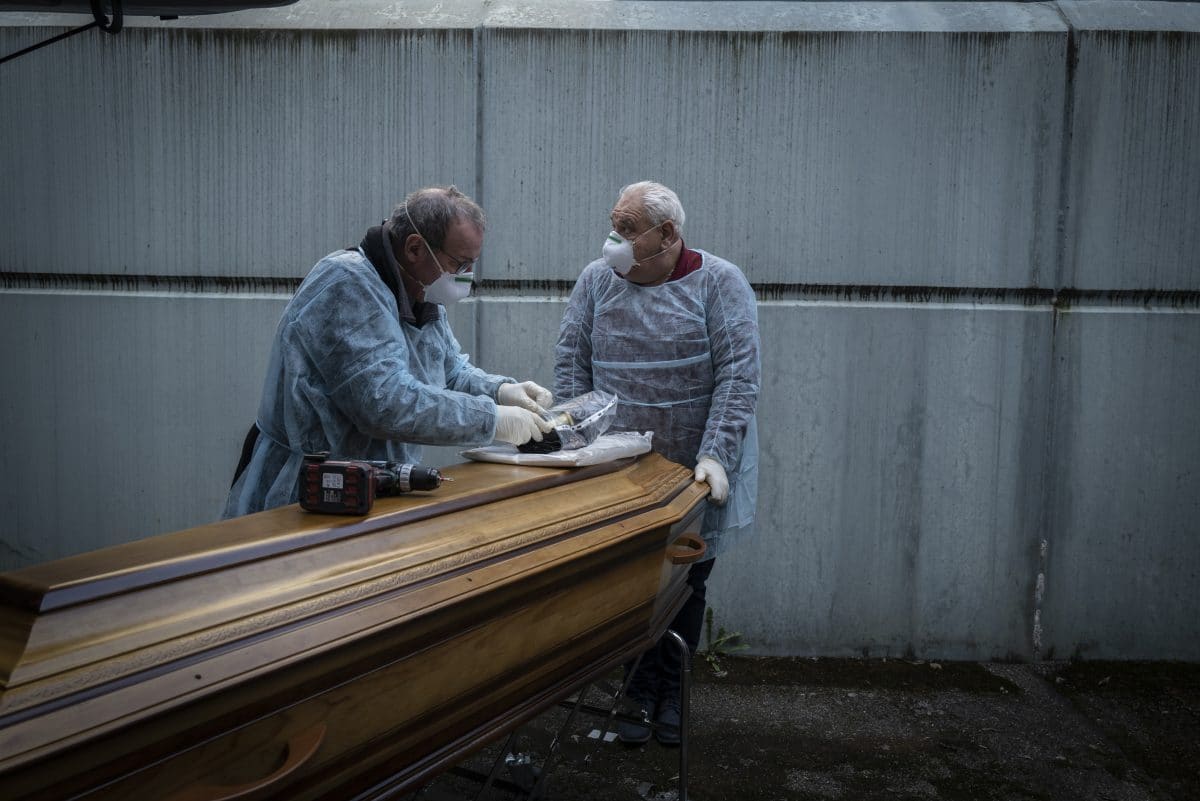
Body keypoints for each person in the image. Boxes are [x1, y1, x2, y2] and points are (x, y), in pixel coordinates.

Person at [554, 181, 761, 746]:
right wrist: (577, 443)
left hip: (693, 471)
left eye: (627, 229)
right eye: (614, 226)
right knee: (629, 582)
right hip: (620, 469)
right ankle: (635, 694)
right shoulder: (597, 282)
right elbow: (571, 366)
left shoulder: (718, 282)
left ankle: (672, 696)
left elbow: (739, 376)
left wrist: (716, 455)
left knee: (687, 579)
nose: (613, 241)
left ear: (668, 234)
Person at [225, 185, 554, 518]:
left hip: (377, 486)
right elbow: (385, 402)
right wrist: (491, 419)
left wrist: (501, 391)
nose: (467, 277)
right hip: (311, 491)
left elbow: (449, 371)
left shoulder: (419, 293)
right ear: (415, 249)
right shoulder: (347, 284)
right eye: (460, 263)